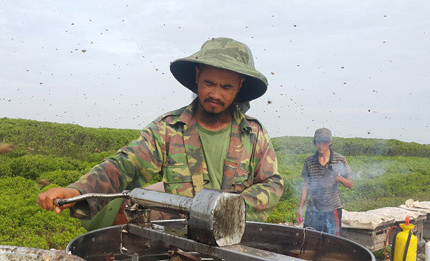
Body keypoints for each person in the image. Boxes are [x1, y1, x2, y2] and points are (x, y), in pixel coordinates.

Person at [37, 37, 284, 226]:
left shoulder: (253, 134)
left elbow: (272, 183)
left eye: (226, 87)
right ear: (197, 76)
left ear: (240, 86)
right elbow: (124, 165)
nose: (215, 94)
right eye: (209, 83)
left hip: (235, 240)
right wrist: (77, 191)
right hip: (179, 242)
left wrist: (228, 210)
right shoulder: (168, 128)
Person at [296, 128, 353, 235]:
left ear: (330, 142)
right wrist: (300, 208)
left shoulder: (340, 159)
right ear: (315, 142)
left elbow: (350, 185)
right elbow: (306, 185)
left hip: (332, 209)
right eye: (318, 142)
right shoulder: (309, 161)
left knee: (333, 241)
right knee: (309, 238)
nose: (321, 146)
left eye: (324, 142)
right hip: (313, 209)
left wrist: (340, 178)